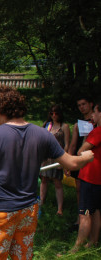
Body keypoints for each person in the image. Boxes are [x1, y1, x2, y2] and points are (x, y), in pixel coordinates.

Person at [0, 86, 93, 260]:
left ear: (2, 109)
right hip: (28, 210)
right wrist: (86, 156)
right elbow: (71, 162)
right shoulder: (43, 134)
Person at [70, 98, 101, 253]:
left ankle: (76, 249)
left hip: (91, 176)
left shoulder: (97, 131)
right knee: (95, 211)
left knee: (85, 213)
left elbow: (81, 151)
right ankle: (93, 243)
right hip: (98, 179)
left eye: (95, 112)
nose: (93, 116)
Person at [68, 96, 95, 227]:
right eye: (79, 105)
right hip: (80, 159)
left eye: (84, 104)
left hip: (94, 160)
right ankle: (80, 217)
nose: (82, 107)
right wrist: (68, 161)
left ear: (91, 104)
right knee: (79, 189)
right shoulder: (77, 125)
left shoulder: (97, 122)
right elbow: (73, 145)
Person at [40, 105, 70, 216]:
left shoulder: (64, 126)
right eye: (51, 113)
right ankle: (42, 202)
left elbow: (67, 144)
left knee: (57, 182)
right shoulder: (46, 125)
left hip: (58, 157)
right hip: (46, 157)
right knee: (44, 180)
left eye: (56, 113)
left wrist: (63, 160)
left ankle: (60, 209)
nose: (54, 115)